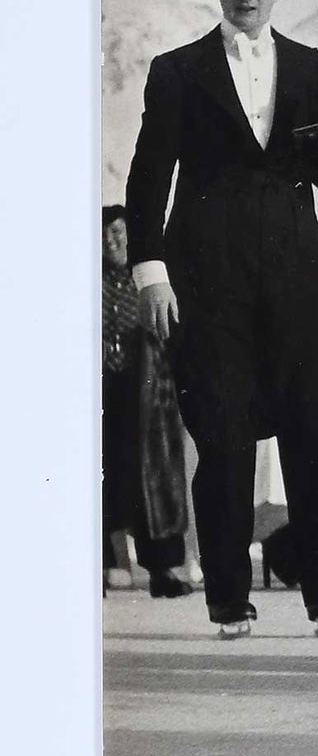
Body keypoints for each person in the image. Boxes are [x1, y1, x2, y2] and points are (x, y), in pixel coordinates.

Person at [125, 0, 318, 638]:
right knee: (223, 437)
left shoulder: (316, 66)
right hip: (204, 276)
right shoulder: (177, 71)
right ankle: (229, 597)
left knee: (312, 432)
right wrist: (150, 272)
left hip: (294, 272)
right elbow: (148, 176)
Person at [102, 204, 191, 597]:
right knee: (103, 479)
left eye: (118, 233)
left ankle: (162, 571)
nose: (110, 241)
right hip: (102, 392)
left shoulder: (150, 279)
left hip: (148, 394)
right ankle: (102, 567)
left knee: (154, 480)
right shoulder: (87, 281)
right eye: (104, 235)